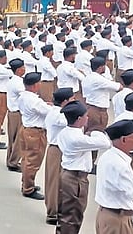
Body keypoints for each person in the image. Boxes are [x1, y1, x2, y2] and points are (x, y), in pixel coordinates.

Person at [56, 100, 112, 234]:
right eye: (86, 116)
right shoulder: (76, 138)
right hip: (75, 179)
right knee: (72, 216)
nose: (88, 118)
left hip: (70, 175)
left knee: (68, 214)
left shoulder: (66, 132)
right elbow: (105, 143)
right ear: (79, 119)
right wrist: (95, 131)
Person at [95, 119, 133, 234]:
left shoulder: (109, 156)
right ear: (124, 140)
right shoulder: (120, 165)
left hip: (108, 215)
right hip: (117, 221)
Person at [17, 72, 52, 200]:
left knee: (27, 159)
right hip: (35, 132)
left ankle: (26, 183)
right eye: (39, 82)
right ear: (34, 85)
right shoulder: (34, 100)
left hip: (26, 129)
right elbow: (48, 112)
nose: (40, 84)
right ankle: (28, 188)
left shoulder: (23, 96)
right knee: (33, 161)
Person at [43, 88, 75, 225]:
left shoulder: (58, 112)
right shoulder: (58, 115)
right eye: (72, 99)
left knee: (60, 181)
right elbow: (70, 122)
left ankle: (58, 209)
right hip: (57, 149)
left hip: (61, 149)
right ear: (65, 101)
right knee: (54, 182)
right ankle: (52, 213)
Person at [6, 58, 25, 172]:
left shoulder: (13, 80)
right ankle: (13, 162)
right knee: (18, 139)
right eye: (22, 67)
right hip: (17, 113)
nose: (24, 69)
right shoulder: (18, 83)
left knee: (12, 138)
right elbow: (25, 95)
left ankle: (10, 160)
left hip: (12, 112)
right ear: (18, 70)